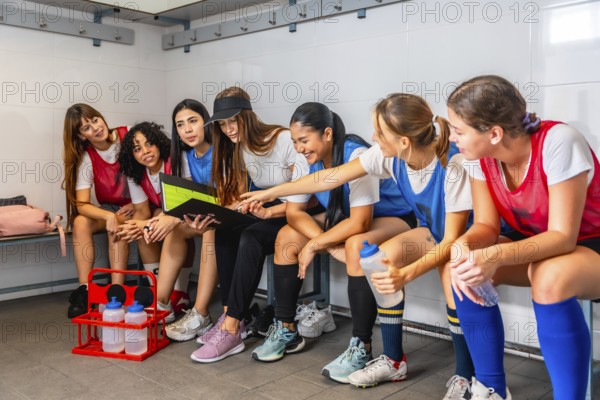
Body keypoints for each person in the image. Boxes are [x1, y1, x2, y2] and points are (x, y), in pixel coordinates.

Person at [241, 93, 476, 399]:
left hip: (465, 238)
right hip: (432, 232)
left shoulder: (453, 164)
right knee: (380, 260)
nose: (373, 137)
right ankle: (393, 360)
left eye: (379, 132)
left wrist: (405, 276)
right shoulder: (387, 155)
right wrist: (273, 192)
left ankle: (466, 375)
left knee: (451, 272)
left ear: (403, 140)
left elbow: (452, 240)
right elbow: (328, 178)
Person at [446, 75, 600, 400]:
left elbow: (562, 237)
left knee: (547, 276)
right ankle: (491, 390)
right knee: (462, 269)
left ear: (494, 133)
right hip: (541, 245)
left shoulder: (559, 141)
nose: (452, 137)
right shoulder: (477, 159)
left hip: (588, 245)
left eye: (459, 130)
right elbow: (487, 226)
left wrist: (496, 256)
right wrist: (465, 245)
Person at [249, 102, 417, 385]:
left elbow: (361, 223)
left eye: (304, 140)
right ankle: (286, 328)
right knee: (287, 236)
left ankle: (361, 346)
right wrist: (322, 241)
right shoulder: (309, 159)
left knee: (355, 244)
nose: (299, 148)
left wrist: (315, 245)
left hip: (393, 216)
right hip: (348, 216)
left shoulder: (357, 153)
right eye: (295, 142)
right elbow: (294, 212)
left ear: (327, 134)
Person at [189, 87, 311, 363]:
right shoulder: (241, 147)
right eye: (222, 124)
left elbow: (307, 197)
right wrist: (219, 213)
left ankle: (231, 327)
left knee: (251, 238)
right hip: (274, 207)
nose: (229, 129)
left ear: (249, 116)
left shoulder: (282, 140)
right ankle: (235, 314)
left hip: (300, 211)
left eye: (233, 121)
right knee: (225, 229)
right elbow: (251, 197)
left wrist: (267, 212)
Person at [62, 104, 133, 318]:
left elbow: (154, 168)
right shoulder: (87, 157)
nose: (95, 127)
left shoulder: (127, 135)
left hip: (139, 205)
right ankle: (85, 289)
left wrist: (136, 206)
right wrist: (109, 215)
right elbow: (82, 204)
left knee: (117, 225)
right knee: (80, 222)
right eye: (86, 128)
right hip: (112, 208)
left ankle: (116, 291)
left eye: (94, 120)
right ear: (81, 136)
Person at [161, 99, 219, 341]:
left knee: (209, 230)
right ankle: (160, 304)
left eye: (193, 121)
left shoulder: (222, 149)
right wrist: (169, 218)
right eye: (180, 125)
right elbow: (186, 198)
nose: (187, 129)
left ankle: (201, 314)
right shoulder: (186, 156)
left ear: (205, 121)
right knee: (176, 230)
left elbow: (223, 198)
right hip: (206, 214)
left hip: (229, 214)